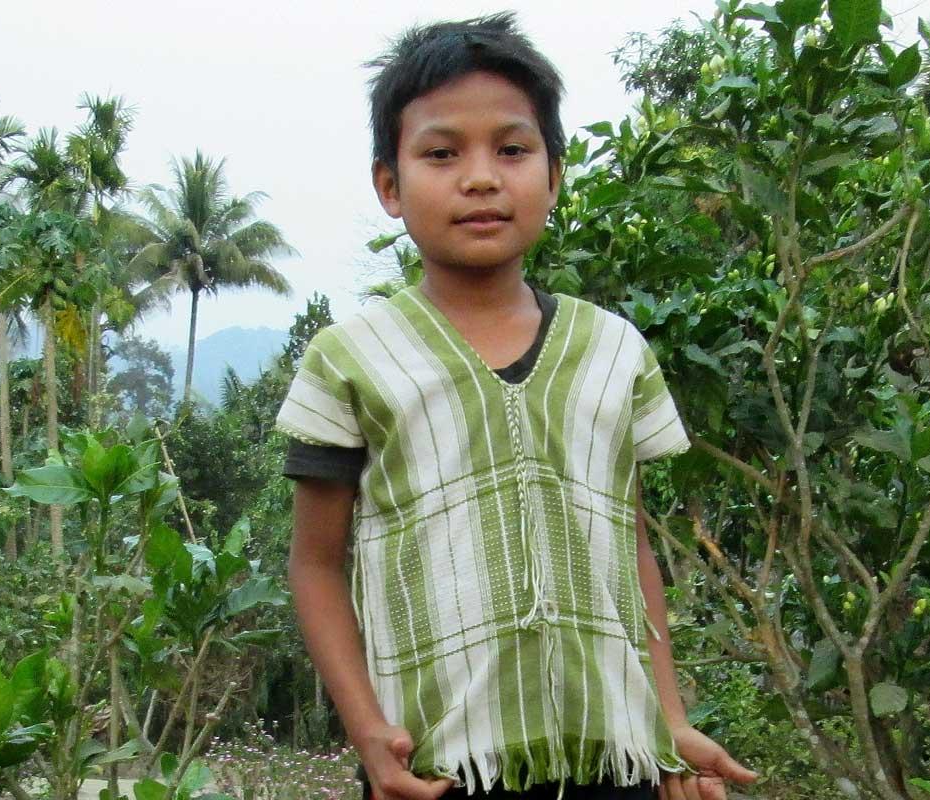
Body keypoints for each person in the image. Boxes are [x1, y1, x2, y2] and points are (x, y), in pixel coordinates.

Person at [278, 12, 759, 800]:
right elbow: (316, 563)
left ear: (554, 175)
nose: (480, 178)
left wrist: (667, 722)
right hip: (434, 766)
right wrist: (369, 734)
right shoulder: (352, 360)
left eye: (512, 149)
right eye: (441, 152)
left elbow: (628, 544)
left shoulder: (613, 353)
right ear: (389, 185)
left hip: (613, 761)